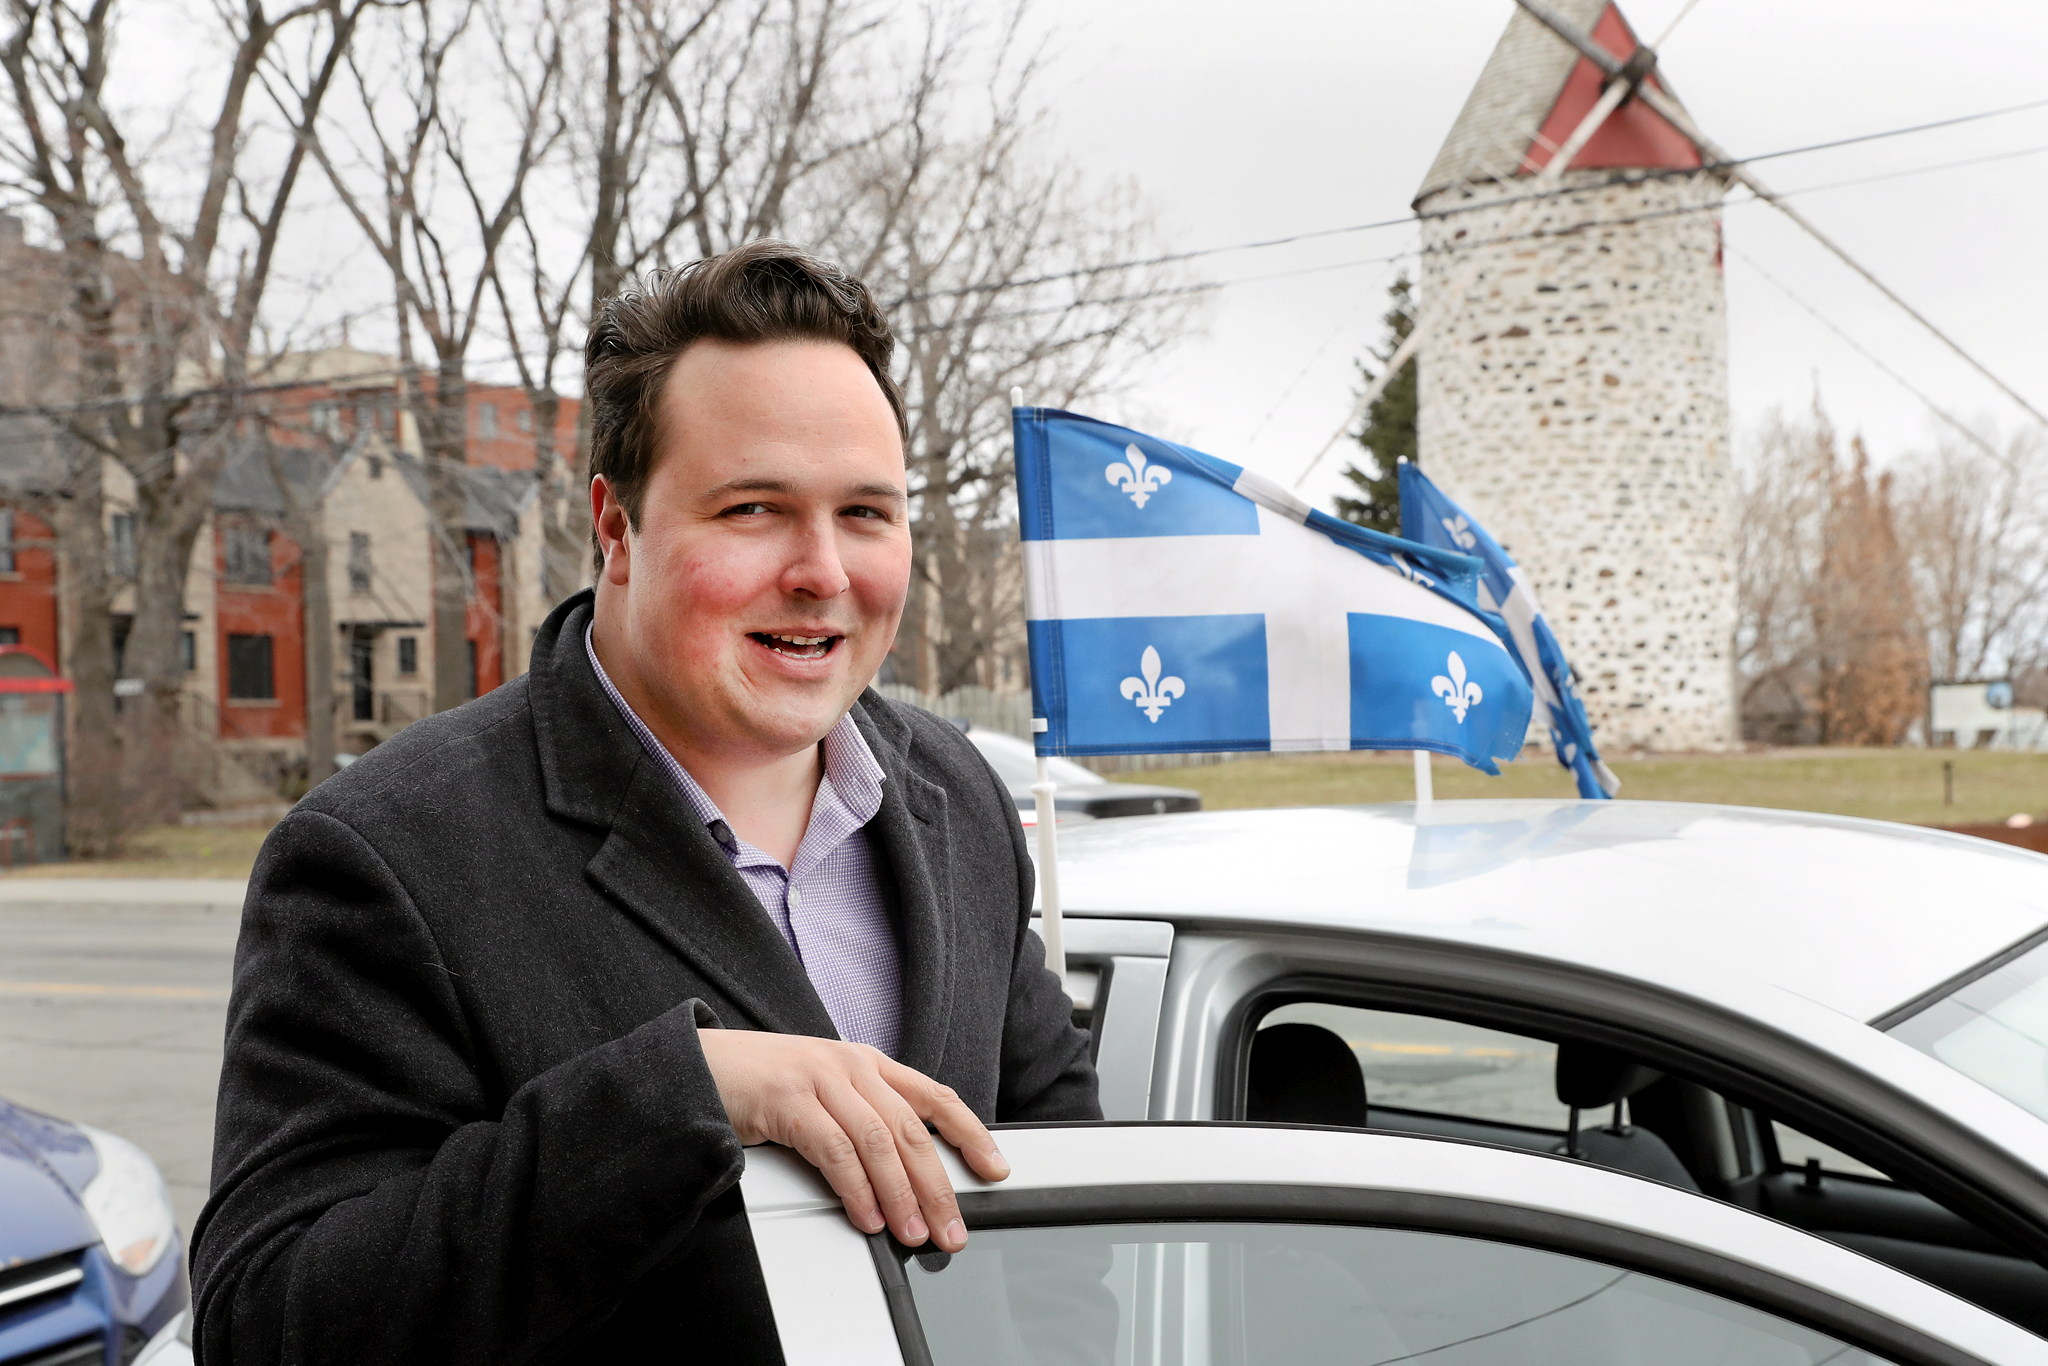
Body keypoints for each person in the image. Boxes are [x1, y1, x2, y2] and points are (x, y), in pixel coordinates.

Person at [190, 241, 1099, 1364]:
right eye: (754, 509)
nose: (823, 571)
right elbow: (270, 1322)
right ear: (616, 527)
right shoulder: (386, 853)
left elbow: (1064, 1215)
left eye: (866, 512)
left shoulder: (955, 795)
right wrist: (680, 1096)